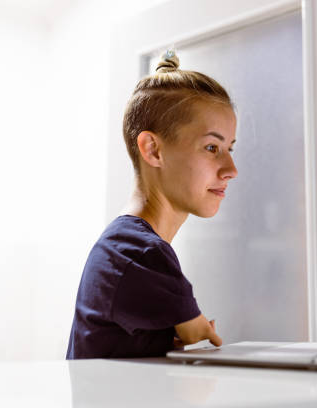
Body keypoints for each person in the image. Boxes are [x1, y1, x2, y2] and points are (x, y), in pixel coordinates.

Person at [66, 50, 238, 359]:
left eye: (229, 148)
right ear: (153, 150)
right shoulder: (140, 253)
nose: (231, 169)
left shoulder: (124, 245)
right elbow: (203, 355)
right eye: (212, 147)